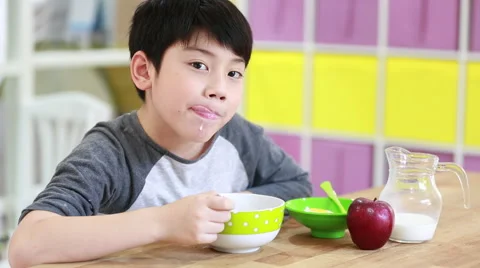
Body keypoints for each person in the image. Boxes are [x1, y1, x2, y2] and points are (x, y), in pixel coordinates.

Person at [8, 0, 312, 267]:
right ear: (144, 71)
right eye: (198, 64)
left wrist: (237, 202)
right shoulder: (111, 153)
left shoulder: (237, 136)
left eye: (233, 73)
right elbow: (27, 245)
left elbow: (298, 186)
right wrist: (163, 222)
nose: (219, 89)